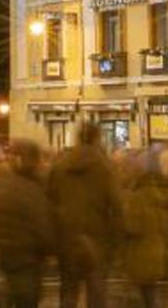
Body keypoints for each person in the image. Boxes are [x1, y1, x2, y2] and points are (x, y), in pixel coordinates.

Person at [46, 122, 122, 308]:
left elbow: (48, 202)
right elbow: (117, 207)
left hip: (67, 238)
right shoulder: (105, 168)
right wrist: (116, 243)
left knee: (69, 292)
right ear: (97, 138)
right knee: (96, 293)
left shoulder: (60, 166)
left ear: (78, 138)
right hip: (97, 239)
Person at [0, 140, 54, 308]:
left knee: (7, 297)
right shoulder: (32, 188)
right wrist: (50, 249)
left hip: (3, 255)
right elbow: (42, 225)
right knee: (27, 300)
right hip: (27, 257)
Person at [120, 165, 168, 308]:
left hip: (139, 251)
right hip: (156, 250)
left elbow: (132, 227)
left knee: (140, 289)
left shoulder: (135, 200)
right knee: (150, 289)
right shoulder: (159, 199)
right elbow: (167, 227)